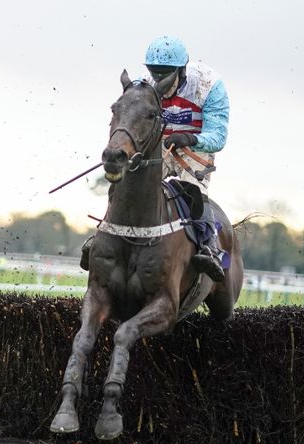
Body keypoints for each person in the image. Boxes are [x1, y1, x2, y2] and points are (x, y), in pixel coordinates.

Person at [80, 35, 229, 282]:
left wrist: (189, 139)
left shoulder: (209, 85)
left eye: (166, 74)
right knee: (125, 184)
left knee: (193, 192)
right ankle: (102, 234)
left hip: (196, 147)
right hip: (157, 144)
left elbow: (219, 136)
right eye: (155, 73)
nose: (159, 80)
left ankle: (210, 248)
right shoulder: (145, 85)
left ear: (181, 70)